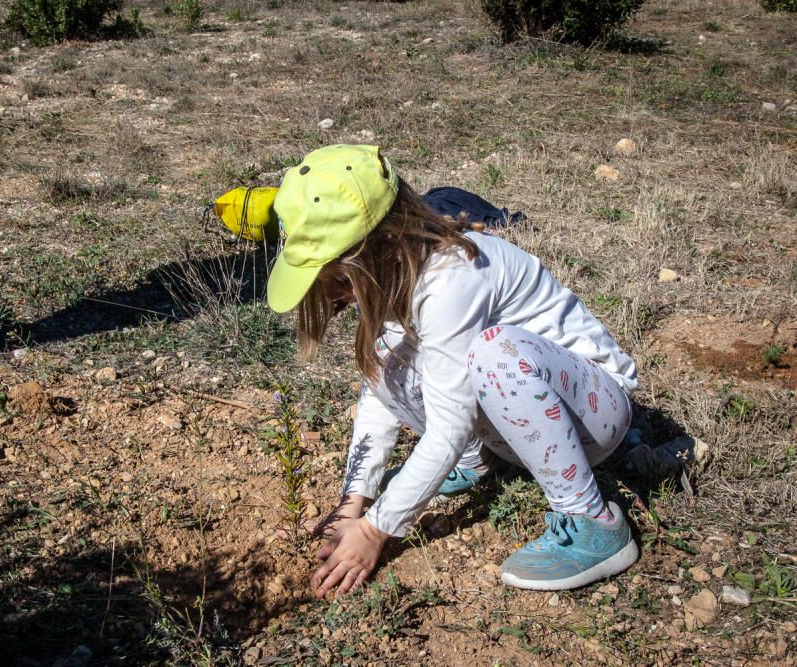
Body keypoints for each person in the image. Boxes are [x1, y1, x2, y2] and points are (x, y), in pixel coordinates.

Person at [266, 145, 638, 598]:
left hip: (592, 417)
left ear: (380, 245)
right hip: (518, 426)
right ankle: (473, 461)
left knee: (494, 354)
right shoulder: (395, 271)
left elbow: (449, 425)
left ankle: (592, 522)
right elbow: (378, 394)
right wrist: (353, 505)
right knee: (386, 350)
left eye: (340, 282)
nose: (339, 298)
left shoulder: (452, 279)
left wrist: (377, 530)